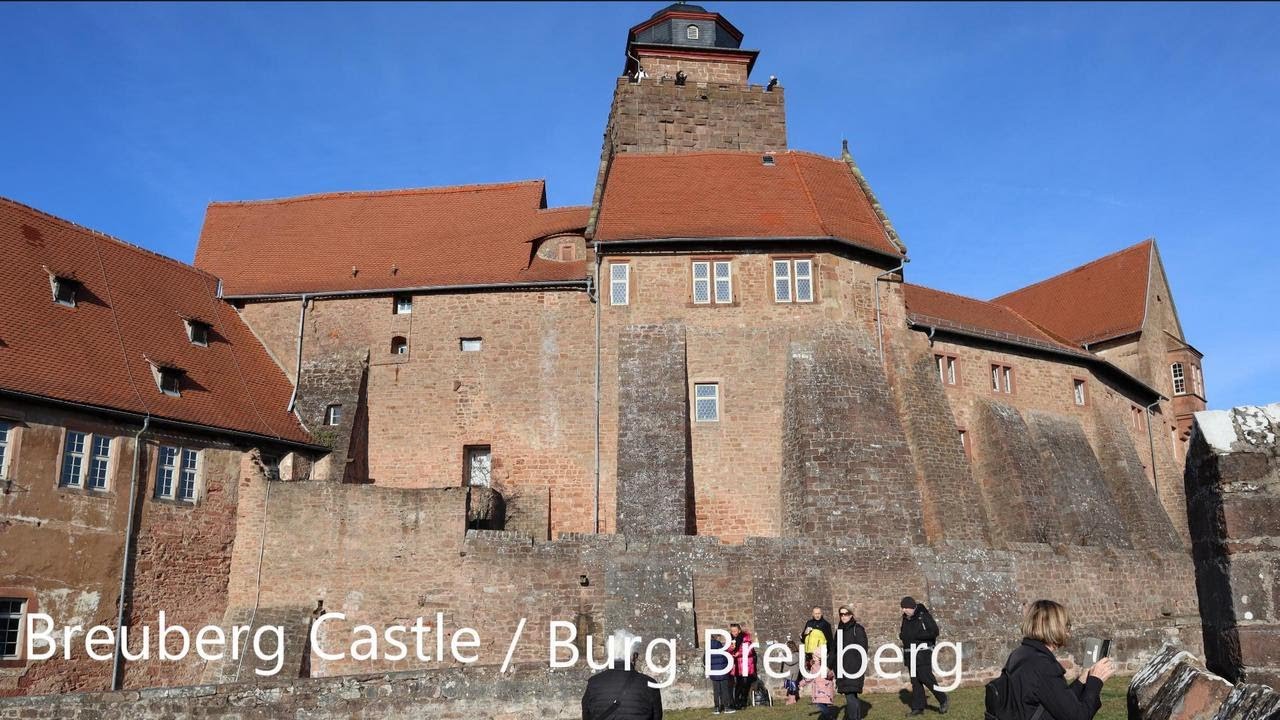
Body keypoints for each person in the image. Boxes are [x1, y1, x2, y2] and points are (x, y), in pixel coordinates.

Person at [1003, 600, 1115, 720]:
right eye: (1067, 625)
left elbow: (1057, 699)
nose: (1068, 632)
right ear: (1054, 627)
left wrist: (1082, 681)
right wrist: (1095, 681)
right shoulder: (1043, 665)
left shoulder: (1021, 653)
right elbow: (1079, 717)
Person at [582, 629, 663, 720]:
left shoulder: (594, 683)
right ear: (634, 656)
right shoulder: (650, 684)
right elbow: (657, 717)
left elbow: (586, 715)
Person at [899, 596, 949, 716]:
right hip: (910, 654)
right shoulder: (905, 619)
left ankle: (943, 699)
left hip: (922, 654)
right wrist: (902, 636)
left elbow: (934, 631)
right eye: (902, 608)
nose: (903, 610)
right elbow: (905, 633)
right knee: (915, 682)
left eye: (905, 607)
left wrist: (917, 635)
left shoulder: (923, 615)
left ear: (912, 607)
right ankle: (918, 707)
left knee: (927, 679)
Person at [836, 605, 869, 720]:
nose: (843, 616)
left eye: (846, 614)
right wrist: (829, 665)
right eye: (841, 614)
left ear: (851, 615)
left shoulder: (857, 629)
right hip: (842, 668)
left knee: (850, 695)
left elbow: (863, 648)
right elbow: (834, 649)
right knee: (851, 695)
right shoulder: (839, 630)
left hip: (854, 668)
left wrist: (857, 665)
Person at [799, 653, 839, 720]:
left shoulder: (823, 666)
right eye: (813, 657)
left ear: (820, 657)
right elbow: (810, 677)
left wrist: (827, 672)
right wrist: (802, 683)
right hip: (822, 690)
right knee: (822, 704)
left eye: (815, 657)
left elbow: (831, 675)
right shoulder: (818, 666)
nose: (813, 658)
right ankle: (827, 717)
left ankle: (830, 717)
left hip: (823, 689)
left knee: (820, 704)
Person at [728, 623, 757, 709]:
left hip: (746, 665)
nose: (734, 633)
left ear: (739, 630)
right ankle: (737, 702)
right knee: (738, 683)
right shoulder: (730, 639)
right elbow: (727, 650)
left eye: (735, 631)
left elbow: (750, 650)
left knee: (745, 683)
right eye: (732, 631)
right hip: (736, 665)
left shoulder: (746, 638)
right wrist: (731, 649)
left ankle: (743, 701)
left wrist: (739, 653)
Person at [708, 634, 734, 715]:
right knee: (724, 690)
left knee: (716, 691)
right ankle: (726, 707)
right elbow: (727, 659)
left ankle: (717, 708)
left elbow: (705, 660)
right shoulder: (722, 648)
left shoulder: (708, 649)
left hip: (713, 673)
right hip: (723, 672)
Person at [804, 606, 836, 670]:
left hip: (819, 656)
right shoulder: (809, 623)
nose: (817, 615)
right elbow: (803, 639)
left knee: (819, 673)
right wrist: (804, 633)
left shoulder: (825, 624)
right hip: (809, 655)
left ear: (821, 613)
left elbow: (830, 641)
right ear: (812, 614)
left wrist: (829, 655)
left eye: (819, 613)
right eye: (816, 613)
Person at [781, 640, 802, 705]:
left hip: (793, 674)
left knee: (792, 688)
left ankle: (792, 700)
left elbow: (790, 662)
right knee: (789, 688)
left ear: (791, 647)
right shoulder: (790, 654)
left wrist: (783, 658)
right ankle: (791, 699)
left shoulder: (796, 654)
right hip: (789, 674)